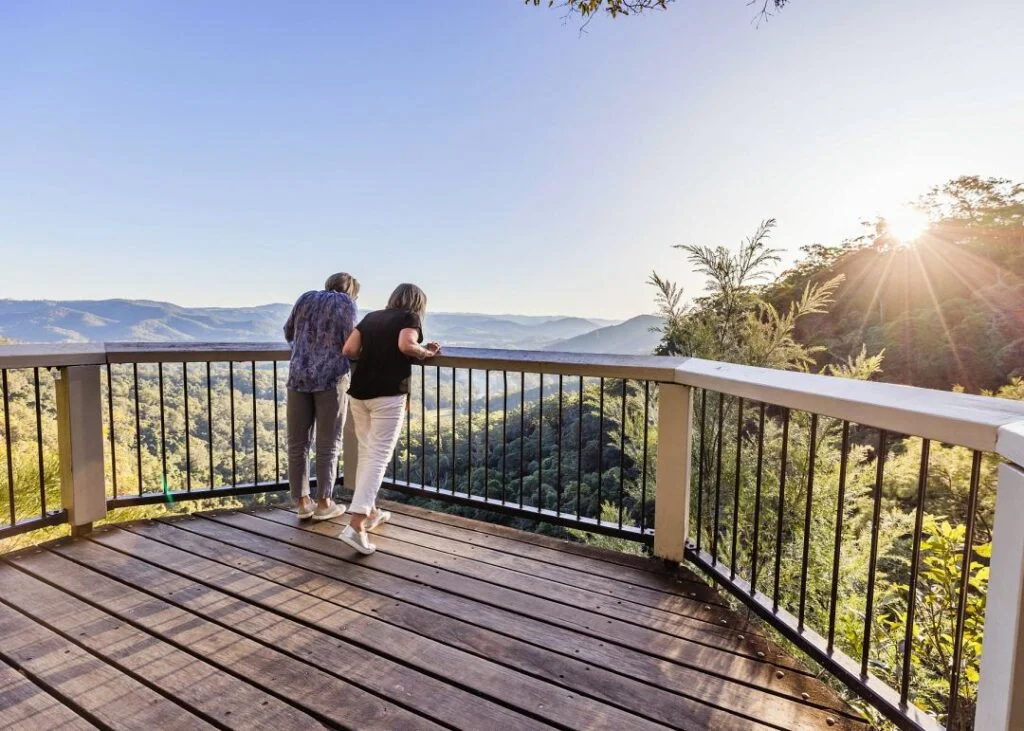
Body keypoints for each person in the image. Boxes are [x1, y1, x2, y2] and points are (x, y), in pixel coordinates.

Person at [339, 283, 440, 554]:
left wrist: (373, 356)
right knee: (378, 456)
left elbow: (349, 350)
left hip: (359, 393)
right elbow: (406, 345)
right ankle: (356, 523)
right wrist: (426, 352)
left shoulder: (372, 317)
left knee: (366, 452)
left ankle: (370, 512)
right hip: (388, 395)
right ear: (418, 303)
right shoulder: (410, 317)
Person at [284, 272, 359, 521]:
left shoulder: (305, 297)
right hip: (331, 379)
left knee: (298, 443)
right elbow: (351, 341)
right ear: (350, 290)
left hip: (298, 376)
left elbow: (288, 332)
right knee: (328, 443)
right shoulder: (346, 303)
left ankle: (303, 502)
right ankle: (324, 502)